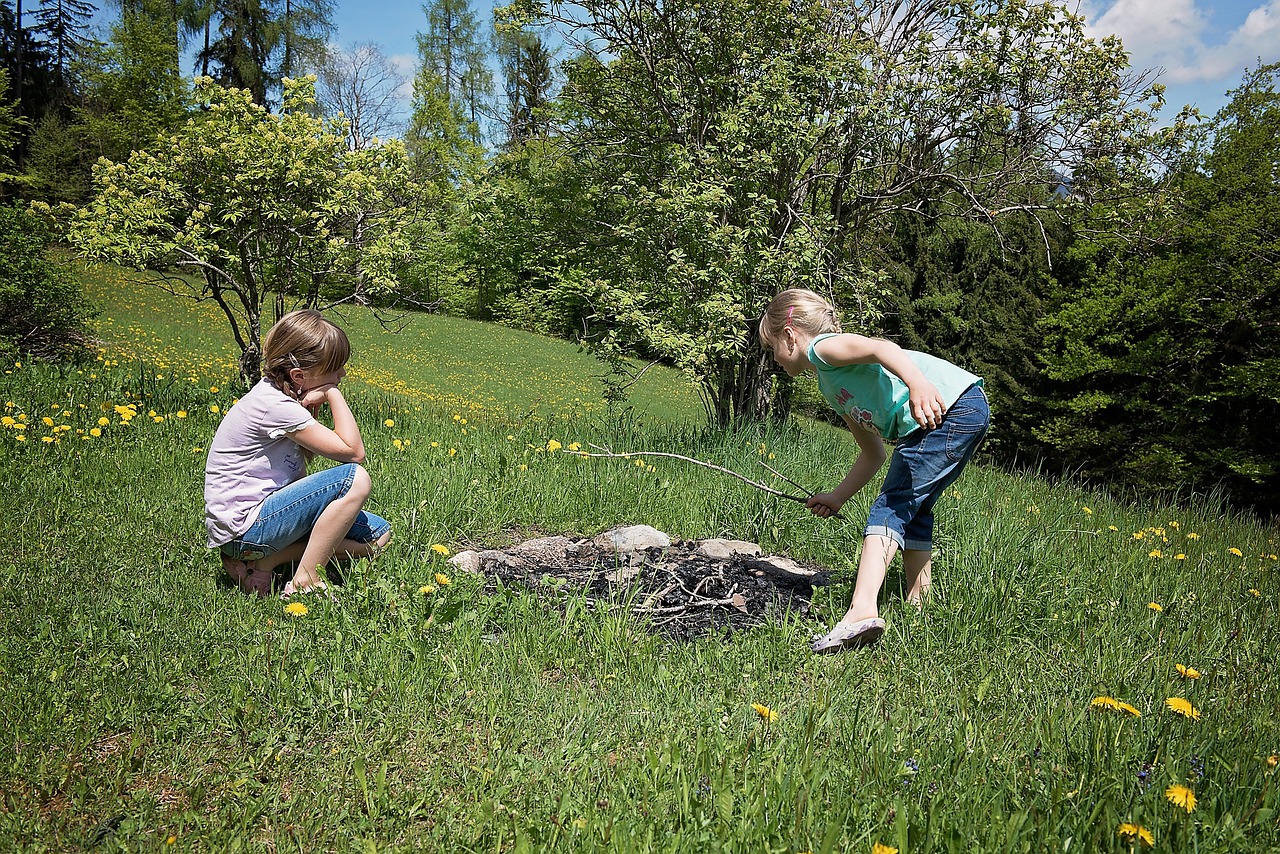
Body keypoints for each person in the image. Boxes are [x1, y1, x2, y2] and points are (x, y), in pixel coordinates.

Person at [759, 288, 989, 653]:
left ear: (790, 335)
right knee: (914, 509)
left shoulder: (825, 349)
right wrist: (837, 496)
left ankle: (861, 610)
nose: (774, 358)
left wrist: (917, 384)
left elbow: (883, 348)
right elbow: (872, 453)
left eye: (772, 346)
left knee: (891, 505)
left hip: (950, 406)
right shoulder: (831, 385)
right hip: (964, 408)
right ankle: (919, 609)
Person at [204, 310, 391, 598]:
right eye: (335, 368)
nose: (342, 375)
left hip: (256, 527)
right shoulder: (273, 405)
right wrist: (333, 393)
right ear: (298, 376)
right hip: (246, 531)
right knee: (355, 480)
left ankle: (267, 561)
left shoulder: (282, 398)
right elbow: (353, 452)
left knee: (378, 535)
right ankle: (306, 579)